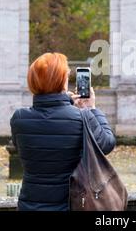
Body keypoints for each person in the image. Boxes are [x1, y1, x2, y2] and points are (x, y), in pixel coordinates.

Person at [10, 52, 116, 211]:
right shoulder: (82, 117)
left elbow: (23, 151)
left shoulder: (19, 118)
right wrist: (91, 109)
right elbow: (107, 144)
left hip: (29, 205)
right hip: (69, 205)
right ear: (62, 82)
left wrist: (66, 102)